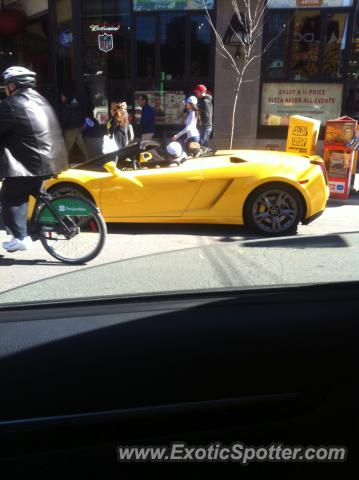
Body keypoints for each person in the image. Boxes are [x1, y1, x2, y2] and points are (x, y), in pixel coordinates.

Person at [0, 66, 68, 252]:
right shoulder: (41, 100)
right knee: (35, 191)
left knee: (10, 195)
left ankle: (20, 237)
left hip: (31, 163)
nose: (5, 88)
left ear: (13, 85)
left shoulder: (11, 103)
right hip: (52, 160)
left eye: (6, 84)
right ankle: (42, 226)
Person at [60, 91, 89, 161]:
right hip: (78, 127)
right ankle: (89, 158)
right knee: (81, 144)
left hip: (71, 128)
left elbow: (64, 119)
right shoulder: (76, 104)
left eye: (62, 96)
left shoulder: (66, 106)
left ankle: (63, 163)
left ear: (66, 97)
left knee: (67, 147)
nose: (61, 98)